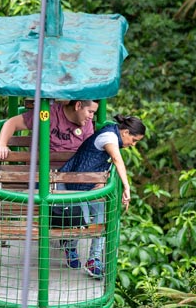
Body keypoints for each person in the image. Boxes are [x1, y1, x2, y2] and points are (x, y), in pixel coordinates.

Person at [59, 114, 146, 278]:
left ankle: (94, 259)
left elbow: (101, 161)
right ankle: (70, 245)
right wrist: (127, 187)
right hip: (72, 186)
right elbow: (116, 159)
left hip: (89, 186)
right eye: (134, 140)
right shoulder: (109, 136)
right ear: (125, 132)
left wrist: (103, 177)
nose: (132, 145)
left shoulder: (113, 135)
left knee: (102, 216)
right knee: (81, 221)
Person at [0, 100, 99, 159]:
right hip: (42, 175)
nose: (91, 116)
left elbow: (90, 151)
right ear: (78, 105)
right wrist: (2, 145)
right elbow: (12, 122)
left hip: (71, 175)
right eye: (90, 111)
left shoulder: (87, 124)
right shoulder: (49, 113)